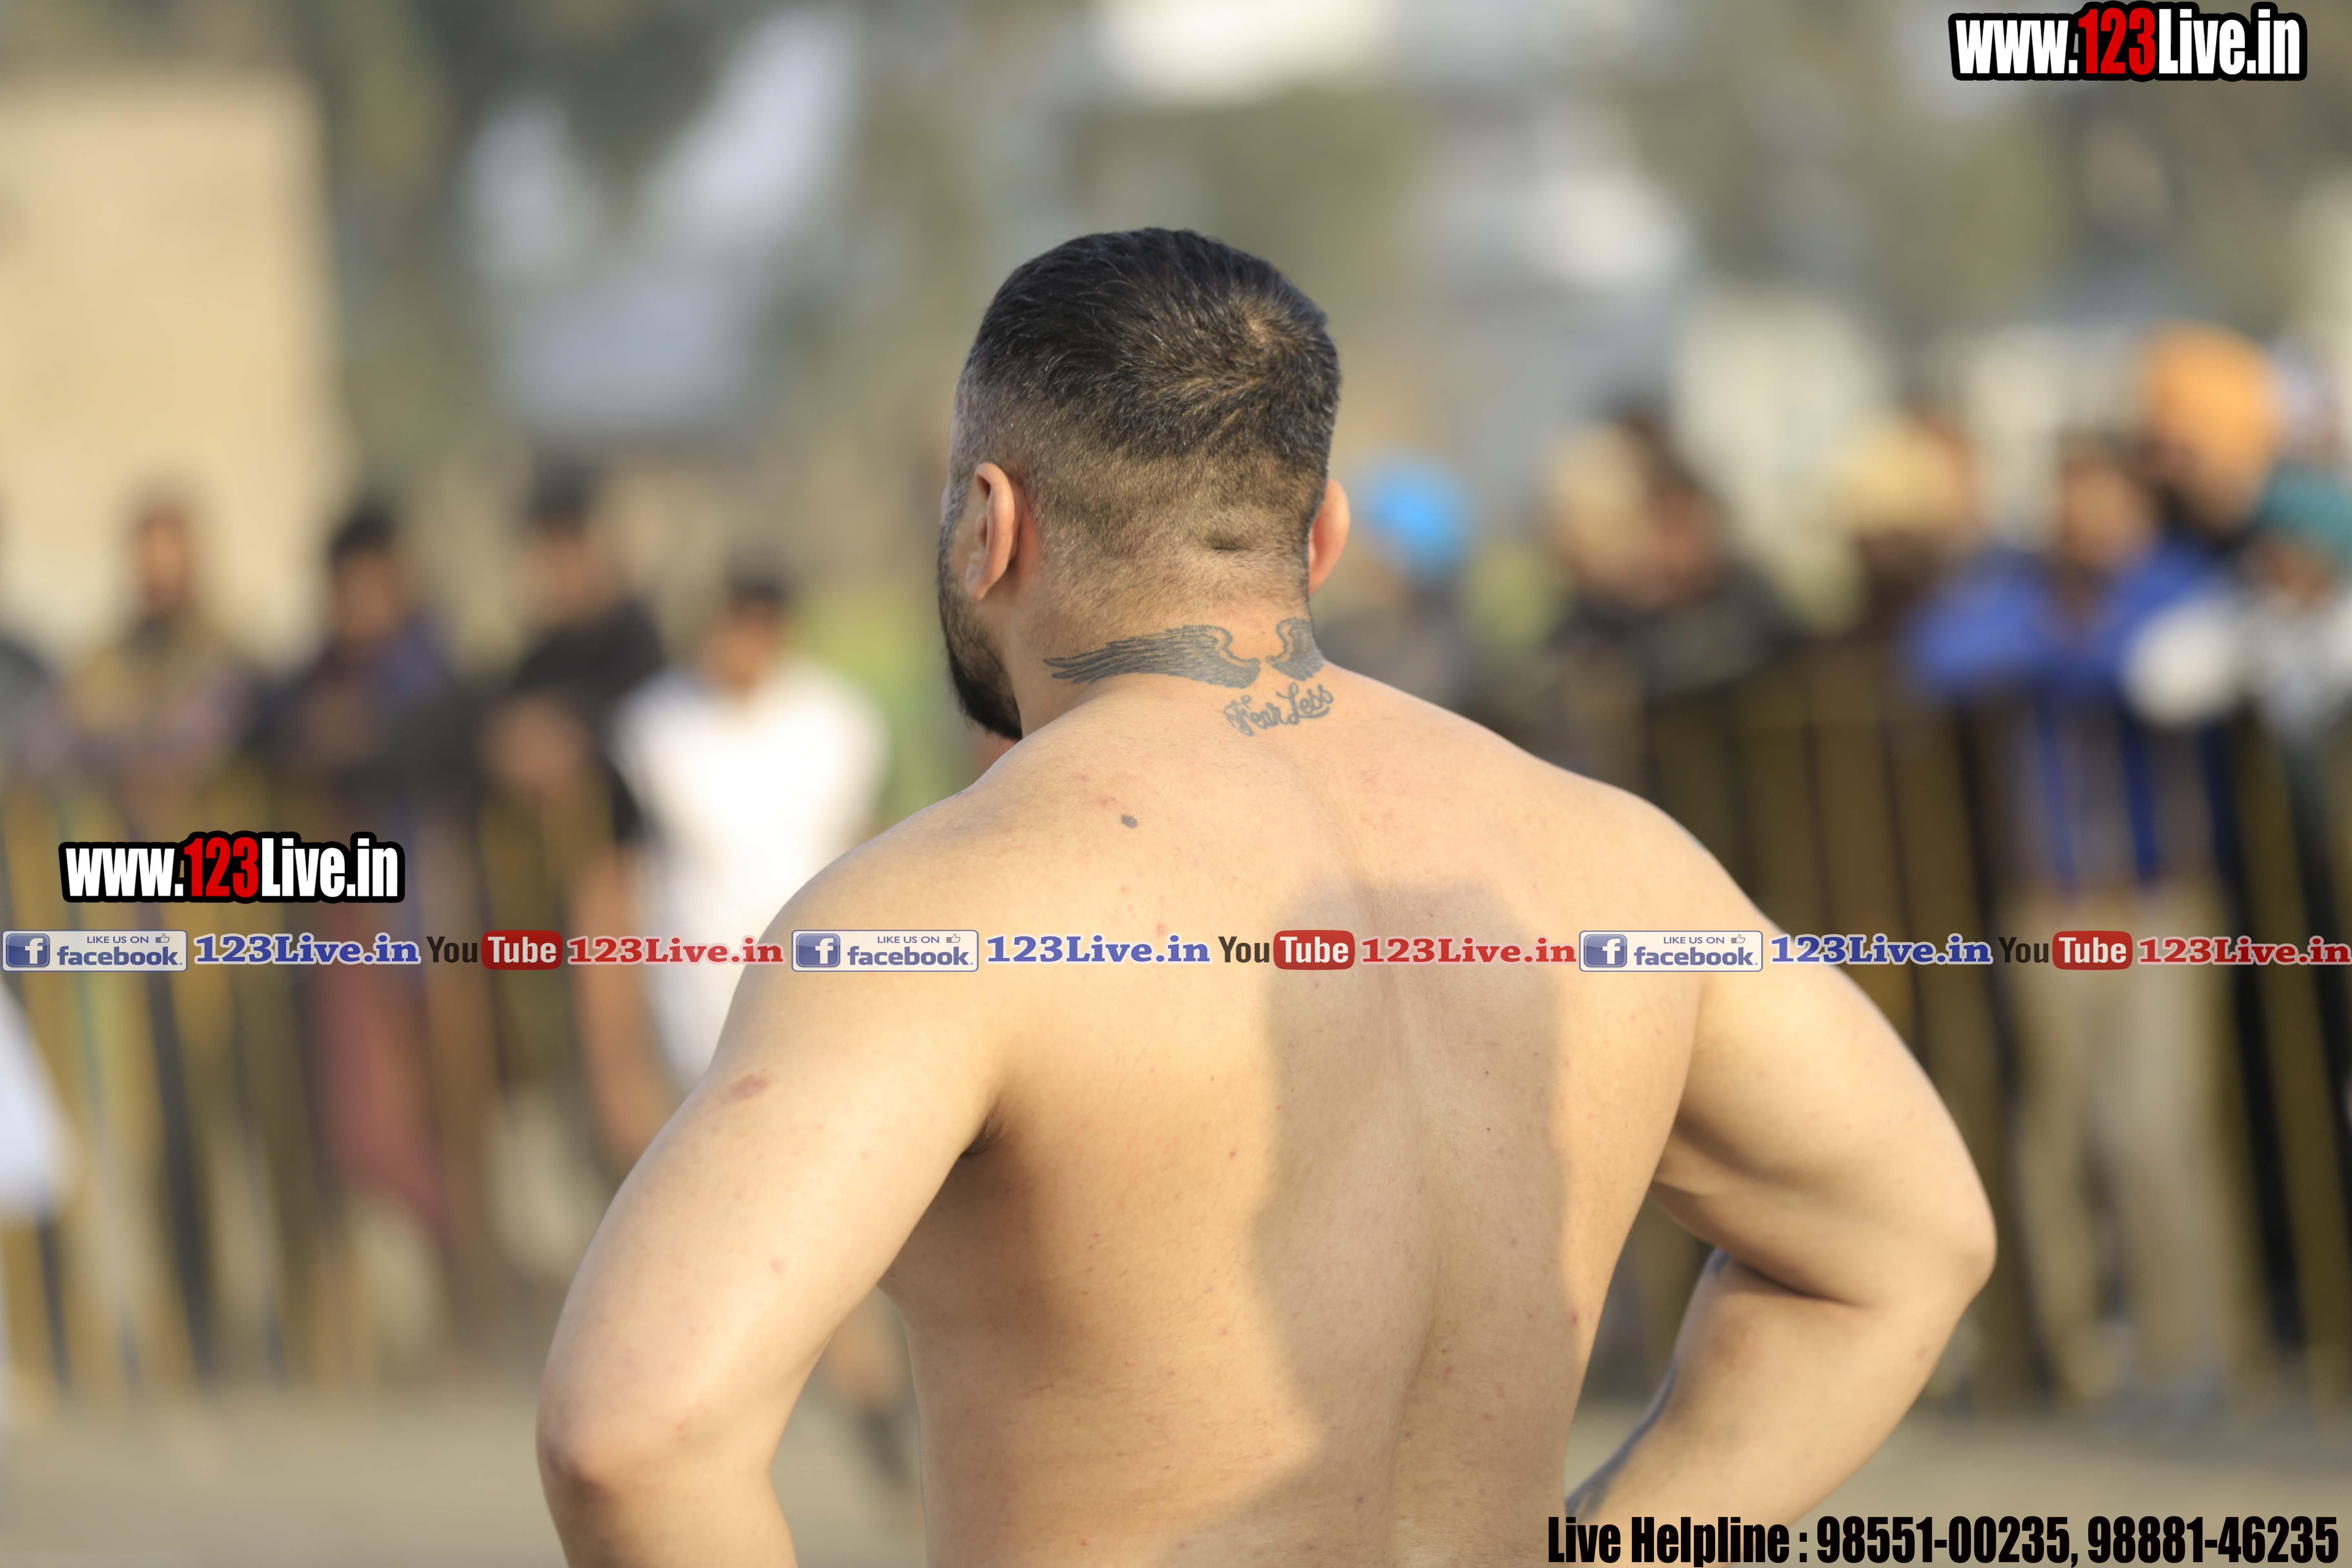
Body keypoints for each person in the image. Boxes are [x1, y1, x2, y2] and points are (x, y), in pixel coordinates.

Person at [539, 229, 1993, 1563]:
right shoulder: (1619, 860)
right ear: (1324, 535)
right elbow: (1912, 1244)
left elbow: (638, 1436)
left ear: (989, 522)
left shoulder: (938, 918)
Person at [1909, 437, 2234, 1411]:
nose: (2082, 523)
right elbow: (1938, 656)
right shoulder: (2018, 588)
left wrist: (2070, 644)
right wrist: (2068, 640)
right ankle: (2076, 1354)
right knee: (2059, 1130)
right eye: (2068, 503)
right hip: (2048, 903)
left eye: (2101, 503)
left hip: (2158, 900)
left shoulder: (2181, 585)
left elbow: (2161, 671)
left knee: (2154, 1127)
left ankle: (2194, 1351)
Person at [612, 570, 889, 1089]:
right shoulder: (651, 725)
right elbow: (620, 873)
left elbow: (865, 842)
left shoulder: (840, 719)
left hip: (815, 963)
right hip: (695, 971)